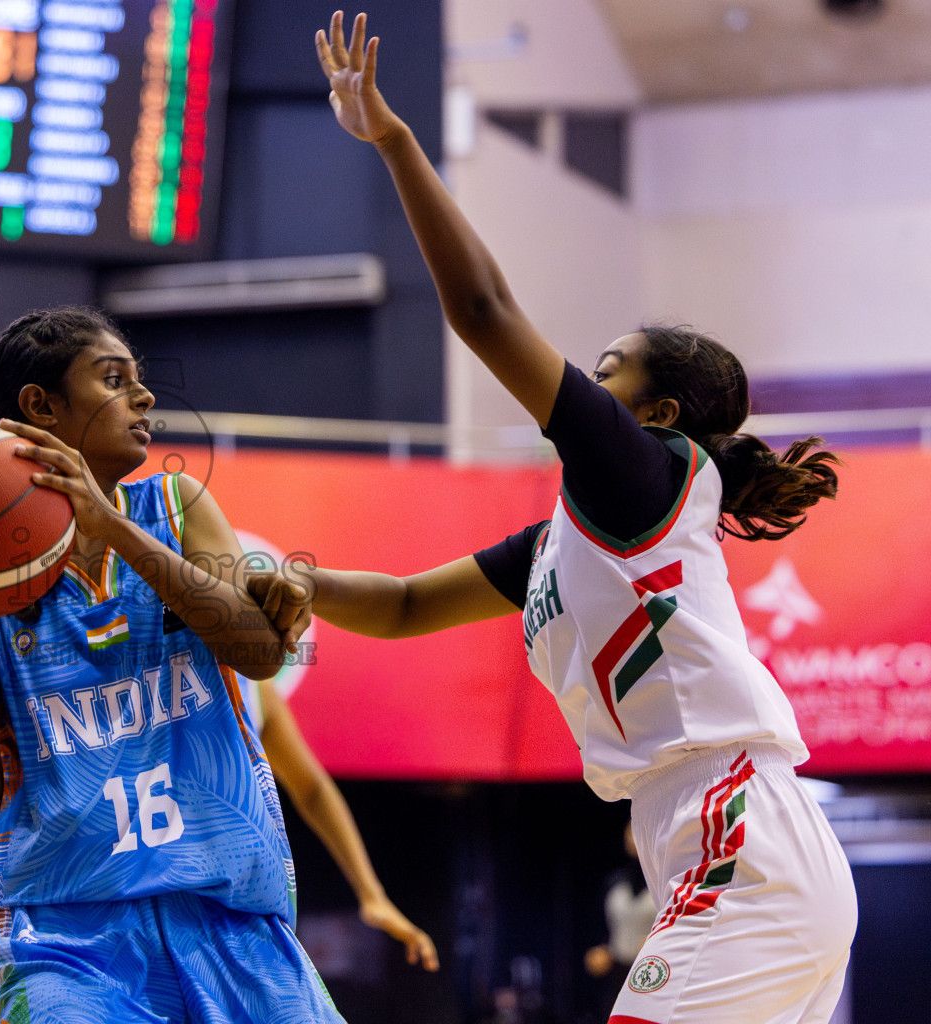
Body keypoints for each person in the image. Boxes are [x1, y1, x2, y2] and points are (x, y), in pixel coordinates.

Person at [247, 12, 857, 1023]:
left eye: (608, 366)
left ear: (654, 413)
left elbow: (483, 310)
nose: (585, 369)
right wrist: (281, 575)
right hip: (704, 840)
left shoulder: (645, 471)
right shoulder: (563, 540)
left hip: (741, 832)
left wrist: (395, 141)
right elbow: (400, 606)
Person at [0, 307, 346, 1024]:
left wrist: (113, 528)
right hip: (71, 944)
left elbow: (262, 652)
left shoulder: (177, 507)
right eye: (115, 380)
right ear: (41, 407)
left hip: (234, 923)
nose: (146, 397)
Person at [243, 676, 440, 970]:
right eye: (284, 626)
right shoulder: (157, 675)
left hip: (241, 910)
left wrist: (372, 894)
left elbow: (313, 790)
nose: (293, 643)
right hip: (164, 900)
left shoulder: (255, 690)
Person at [583, 823, 658, 1022]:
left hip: (651, 972)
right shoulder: (613, 881)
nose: (633, 838)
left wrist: (655, 943)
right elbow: (598, 924)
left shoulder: (663, 882)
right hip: (615, 973)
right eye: (630, 831)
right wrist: (600, 948)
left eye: (638, 831)